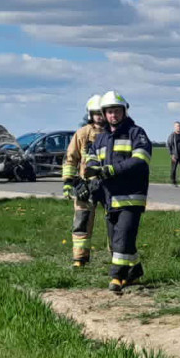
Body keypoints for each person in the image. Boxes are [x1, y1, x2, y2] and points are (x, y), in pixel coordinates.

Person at [84, 91, 152, 293]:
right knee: (117, 241)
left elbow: (140, 160)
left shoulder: (136, 133)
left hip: (132, 197)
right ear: (104, 114)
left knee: (122, 236)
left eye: (116, 111)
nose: (113, 115)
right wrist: (92, 173)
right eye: (109, 112)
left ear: (124, 111)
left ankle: (116, 277)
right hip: (110, 198)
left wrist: (111, 170)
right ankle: (135, 271)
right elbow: (91, 158)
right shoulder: (101, 138)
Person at [62, 95, 107, 268]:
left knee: (114, 222)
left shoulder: (113, 135)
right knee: (81, 221)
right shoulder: (82, 134)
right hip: (85, 186)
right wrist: (69, 182)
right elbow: (70, 159)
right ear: (90, 115)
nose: (99, 117)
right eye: (96, 113)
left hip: (107, 184)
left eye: (101, 113)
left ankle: (116, 257)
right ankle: (79, 258)